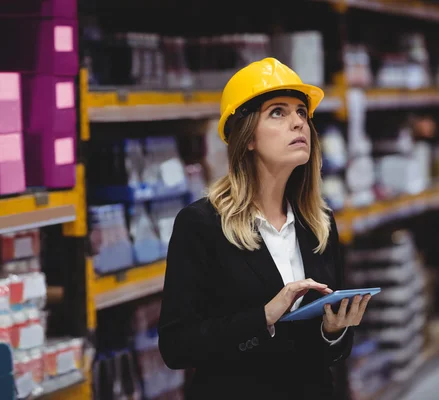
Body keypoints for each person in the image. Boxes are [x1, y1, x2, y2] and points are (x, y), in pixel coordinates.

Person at [157, 58, 372, 400]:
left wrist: (333, 332)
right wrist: (264, 316)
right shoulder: (202, 225)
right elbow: (176, 346)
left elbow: (329, 352)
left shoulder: (320, 224)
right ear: (248, 138)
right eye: (278, 112)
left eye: (302, 112)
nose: (298, 123)